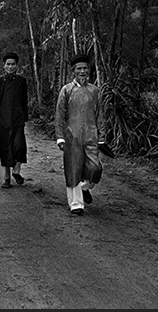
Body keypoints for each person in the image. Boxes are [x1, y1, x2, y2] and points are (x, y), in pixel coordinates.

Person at [55, 53, 106, 215]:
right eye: (79, 68)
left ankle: (85, 188)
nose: (82, 71)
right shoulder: (66, 90)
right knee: (73, 169)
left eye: (85, 68)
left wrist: (102, 137)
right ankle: (76, 203)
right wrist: (60, 136)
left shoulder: (94, 91)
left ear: (88, 70)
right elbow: (59, 115)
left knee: (95, 168)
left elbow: (101, 115)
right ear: (73, 71)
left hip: (91, 136)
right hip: (71, 136)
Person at [0, 52, 29, 189]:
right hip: (3, 120)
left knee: (19, 146)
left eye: (13, 64)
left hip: (17, 119)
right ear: (4, 66)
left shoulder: (21, 81)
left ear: (17, 66)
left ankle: (16, 170)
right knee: (5, 148)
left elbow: (24, 101)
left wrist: (25, 118)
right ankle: (6, 178)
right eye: (8, 64)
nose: (10, 67)